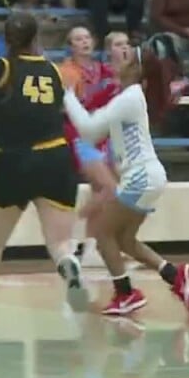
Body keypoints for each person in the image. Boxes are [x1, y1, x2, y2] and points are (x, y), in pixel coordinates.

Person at [0, 13, 83, 328]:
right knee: (59, 241)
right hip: (55, 157)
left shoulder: (0, 68)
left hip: (12, 161)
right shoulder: (55, 71)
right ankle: (68, 263)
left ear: (7, 39)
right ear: (36, 37)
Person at [64, 44, 189, 317]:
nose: (117, 57)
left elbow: (89, 131)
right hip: (148, 176)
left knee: (103, 234)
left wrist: (66, 95)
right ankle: (175, 276)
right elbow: (96, 132)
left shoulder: (130, 96)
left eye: (125, 56)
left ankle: (126, 294)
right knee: (124, 239)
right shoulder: (130, 96)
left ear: (137, 69)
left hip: (141, 176)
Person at [59, 24, 118, 268]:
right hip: (78, 135)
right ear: (70, 45)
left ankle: (88, 246)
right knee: (109, 188)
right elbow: (71, 106)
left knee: (101, 192)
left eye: (87, 37)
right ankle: (69, 233)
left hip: (101, 133)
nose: (84, 42)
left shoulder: (103, 70)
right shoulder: (66, 72)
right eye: (78, 38)